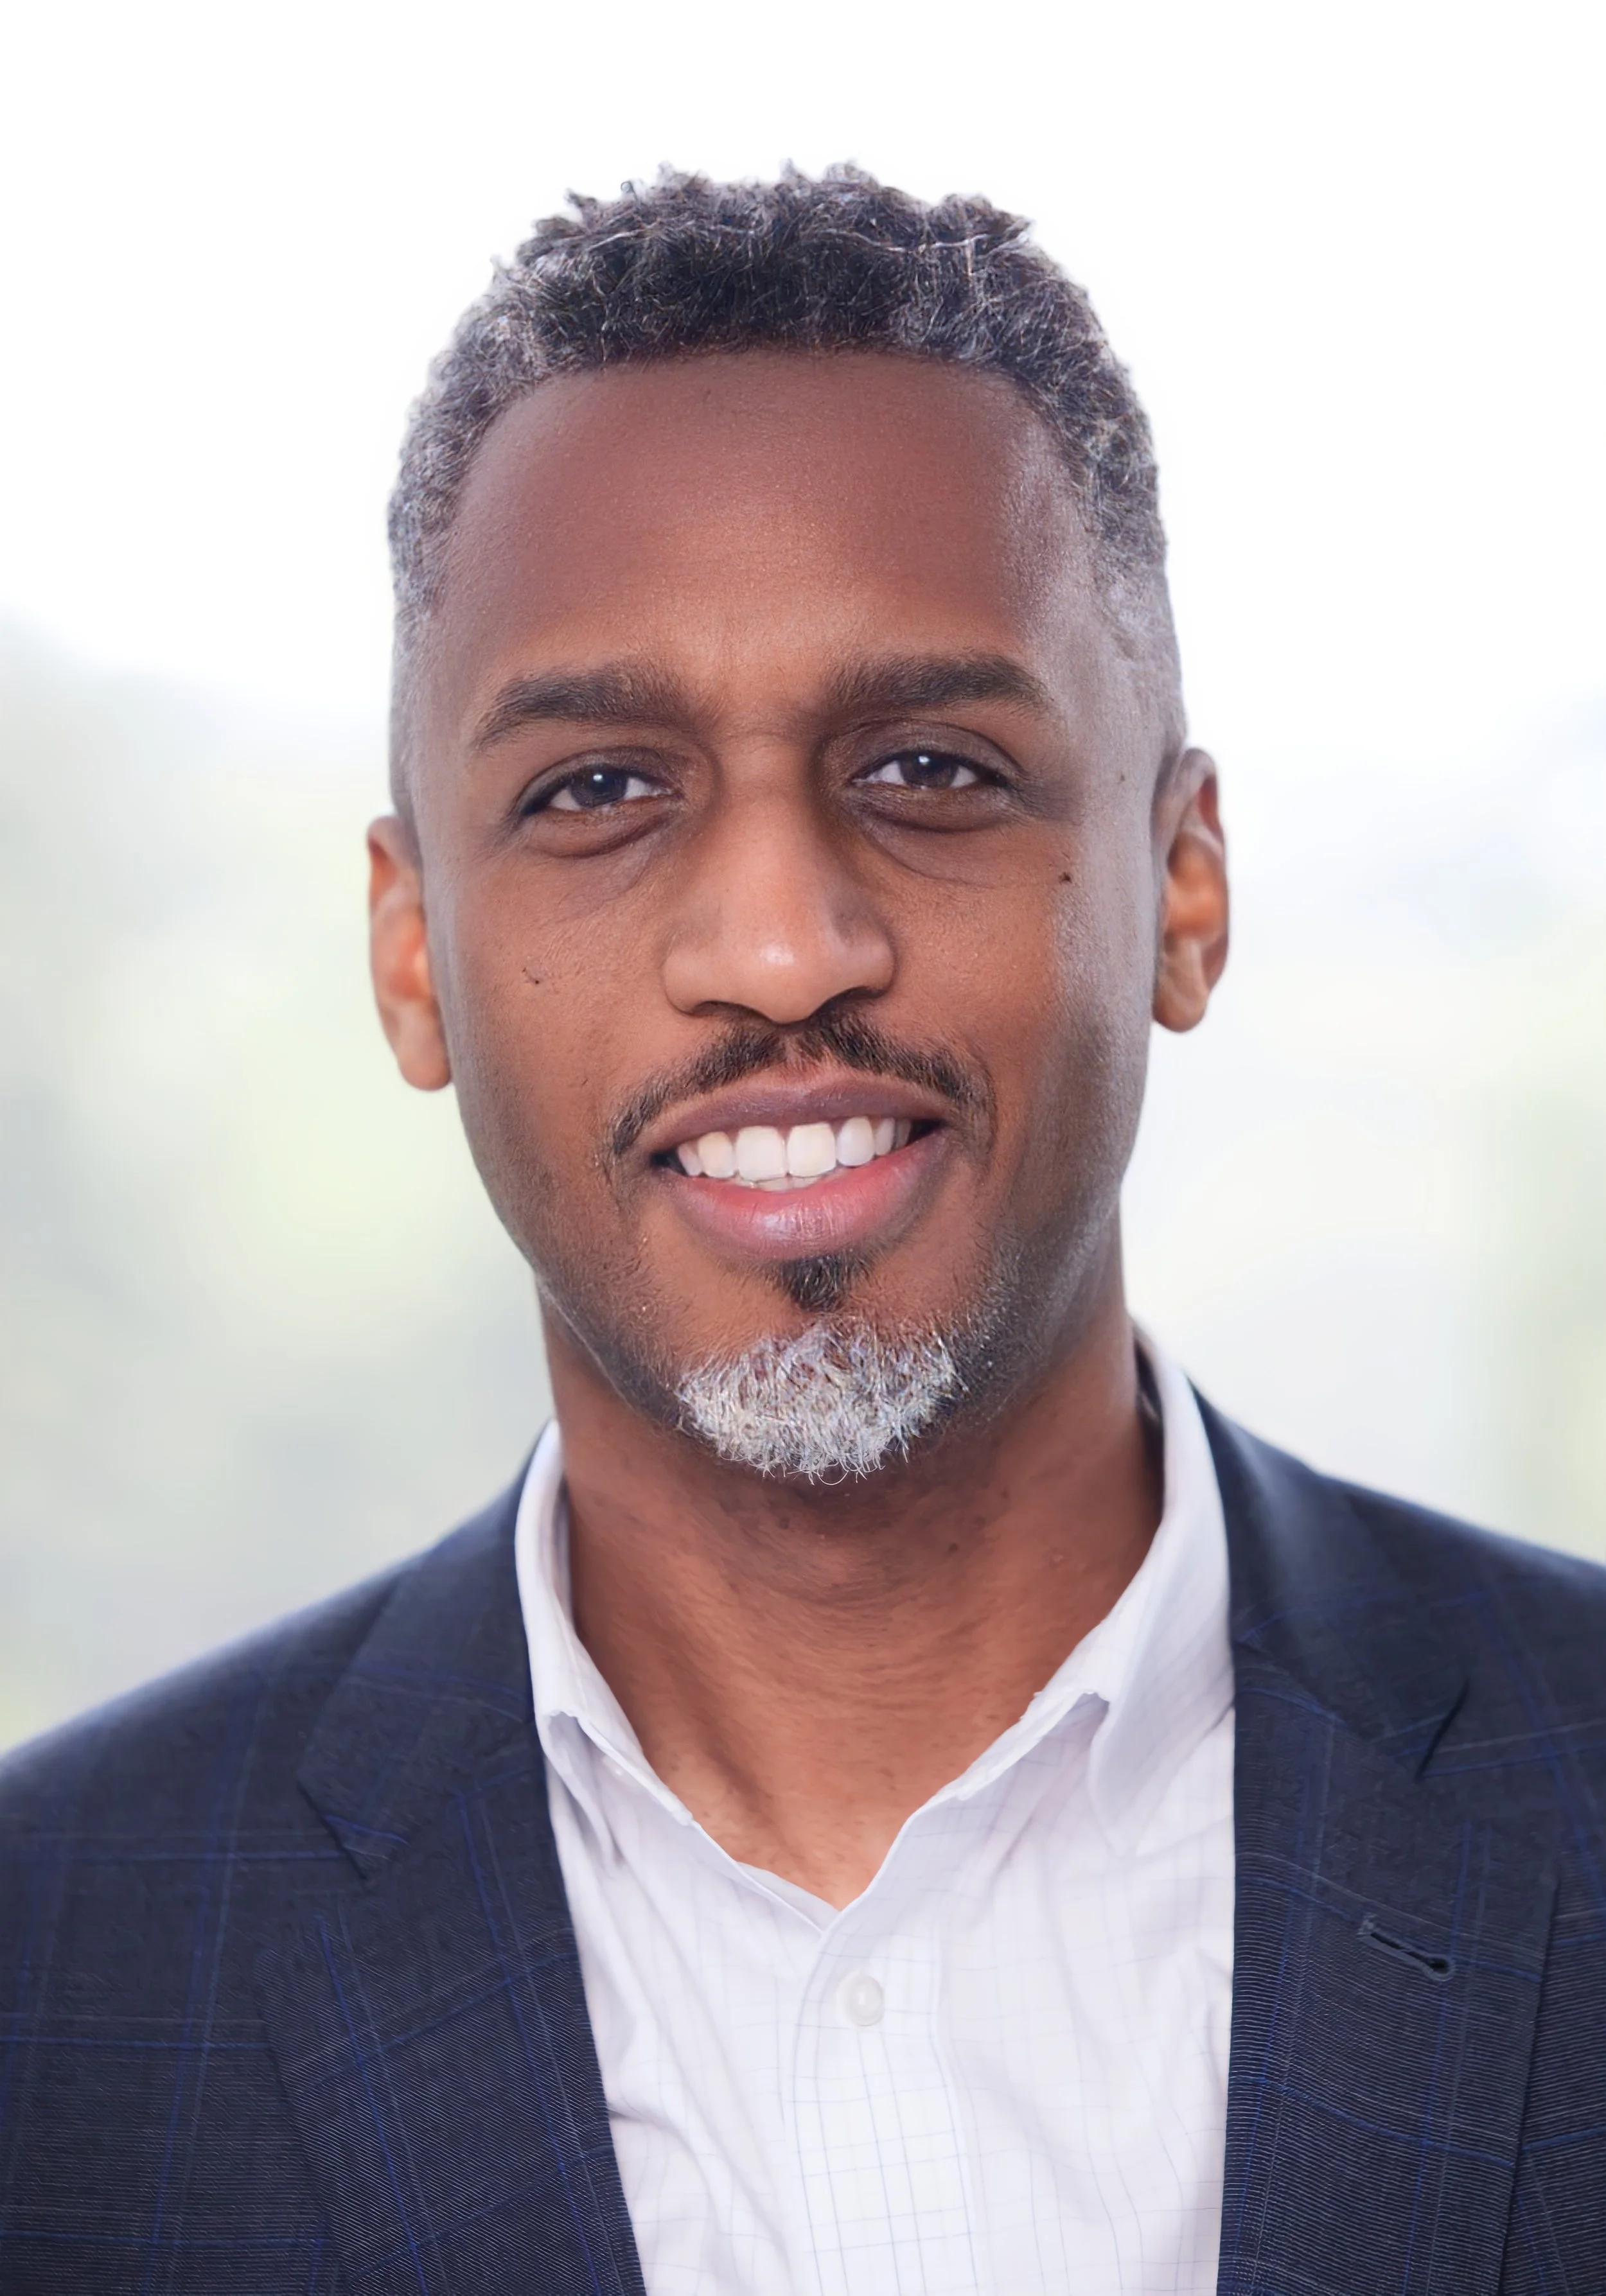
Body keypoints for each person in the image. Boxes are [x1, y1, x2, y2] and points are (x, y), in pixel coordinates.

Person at [1, 168, 1601, 2296]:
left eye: (929, 765)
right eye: (597, 790)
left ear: (1182, 888)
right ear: (409, 954)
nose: (776, 947)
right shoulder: (46, 1963)